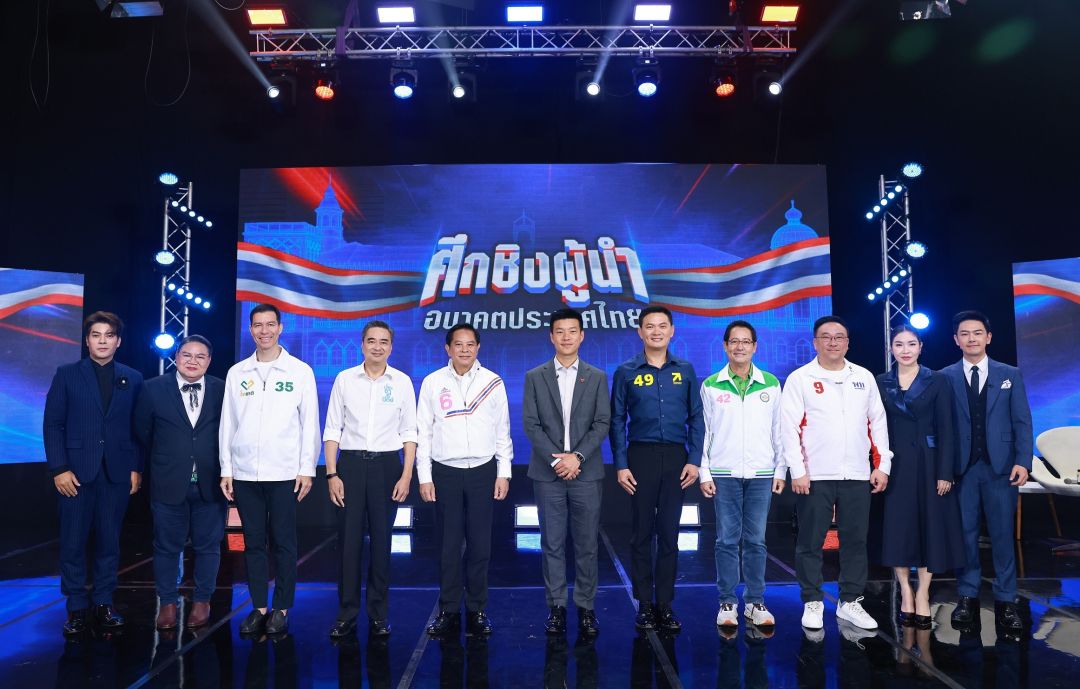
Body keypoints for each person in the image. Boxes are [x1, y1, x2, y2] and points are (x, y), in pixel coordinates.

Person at [780, 315, 892, 633]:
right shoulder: (801, 378)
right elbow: (788, 427)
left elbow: (877, 422)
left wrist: (882, 465)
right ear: (815, 343)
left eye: (839, 337)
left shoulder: (863, 377)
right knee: (810, 541)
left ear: (847, 343)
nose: (833, 342)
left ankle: (850, 601)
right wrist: (797, 470)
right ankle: (812, 601)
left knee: (855, 541)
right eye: (826, 337)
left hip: (857, 473)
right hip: (814, 475)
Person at [219, 303, 319, 637]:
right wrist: (227, 468)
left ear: (280, 328)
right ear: (251, 330)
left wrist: (307, 469)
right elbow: (228, 424)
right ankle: (259, 607)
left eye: (270, 324)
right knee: (253, 543)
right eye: (258, 325)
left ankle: (282, 608)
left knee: (284, 543)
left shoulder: (299, 371)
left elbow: (310, 424)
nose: (264, 331)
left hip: (285, 473)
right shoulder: (238, 373)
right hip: (245, 473)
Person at [44, 311, 143, 636]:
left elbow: (138, 428)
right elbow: (53, 424)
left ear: (118, 341)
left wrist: (135, 467)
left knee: (109, 542)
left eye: (109, 335)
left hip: (116, 473)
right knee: (73, 542)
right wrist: (59, 468)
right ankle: (76, 608)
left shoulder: (132, 377)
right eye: (96, 335)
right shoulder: (67, 374)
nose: (102, 341)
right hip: (74, 474)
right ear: (87, 340)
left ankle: (103, 603)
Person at [610, 305, 704, 633]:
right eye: (649, 326)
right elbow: (617, 420)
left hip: (677, 458)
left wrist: (694, 459)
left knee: (669, 533)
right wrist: (621, 464)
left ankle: (664, 603)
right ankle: (644, 605)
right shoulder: (626, 371)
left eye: (662, 326)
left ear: (672, 331)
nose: (656, 331)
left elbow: (697, 417)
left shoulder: (685, 370)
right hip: (640, 457)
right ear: (640, 332)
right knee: (641, 534)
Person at [417, 323, 513, 636]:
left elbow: (503, 431)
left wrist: (503, 472)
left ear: (478, 347)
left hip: (483, 472)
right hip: (444, 472)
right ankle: (448, 609)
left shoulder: (492, 382)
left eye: (470, 344)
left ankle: (477, 609)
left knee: (480, 545)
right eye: (458, 344)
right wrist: (424, 476)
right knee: (448, 546)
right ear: (448, 348)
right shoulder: (433, 382)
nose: (464, 350)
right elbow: (423, 432)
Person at [324, 320, 417, 639]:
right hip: (349, 466)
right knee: (348, 544)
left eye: (384, 342)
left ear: (391, 347)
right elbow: (333, 428)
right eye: (371, 341)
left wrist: (406, 474)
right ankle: (346, 613)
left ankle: (378, 613)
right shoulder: (345, 379)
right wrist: (332, 473)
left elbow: (409, 431)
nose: (377, 347)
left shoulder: (402, 382)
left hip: (387, 467)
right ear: (362, 344)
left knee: (382, 542)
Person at [942, 310, 1032, 633]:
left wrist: (1023, 460)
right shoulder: (945, 376)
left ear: (988, 337)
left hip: (1002, 468)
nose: (972, 339)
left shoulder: (1010, 374)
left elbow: (1022, 421)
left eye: (977, 333)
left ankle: (1007, 601)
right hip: (962, 469)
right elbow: (942, 427)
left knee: (1003, 536)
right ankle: (967, 597)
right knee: (965, 535)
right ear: (956, 340)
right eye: (965, 334)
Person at [522, 308, 610, 636]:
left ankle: (586, 608)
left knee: (587, 544)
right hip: (548, 475)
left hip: (586, 473)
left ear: (582, 336)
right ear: (551, 336)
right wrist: (557, 461)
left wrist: (578, 457)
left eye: (572, 331)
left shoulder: (597, 376)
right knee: (552, 543)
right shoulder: (535, 376)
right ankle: (556, 607)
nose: (566, 337)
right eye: (560, 331)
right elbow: (531, 424)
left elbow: (602, 422)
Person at [872, 325, 965, 629]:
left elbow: (947, 429)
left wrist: (945, 472)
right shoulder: (880, 382)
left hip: (929, 462)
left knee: (930, 529)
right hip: (895, 464)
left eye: (911, 344)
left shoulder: (937, 380)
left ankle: (924, 592)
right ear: (891, 348)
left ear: (921, 347)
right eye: (899, 344)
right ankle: (906, 591)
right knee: (899, 530)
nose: (905, 350)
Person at [133, 334, 227, 630]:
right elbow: (141, 433)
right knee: (166, 546)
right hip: (168, 480)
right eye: (187, 355)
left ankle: (202, 601)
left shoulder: (223, 389)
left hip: (211, 482)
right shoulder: (152, 388)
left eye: (200, 356)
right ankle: (168, 603)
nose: (193, 361)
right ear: (176, 357)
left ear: (209, 361)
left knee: (208, 546)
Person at [698, 320, 785, 630]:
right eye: (734, 341)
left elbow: (779, 430)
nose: (740, 347)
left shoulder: (771, 384)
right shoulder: (711, 385)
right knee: (726, 540)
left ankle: (755, 602)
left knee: (756, 541)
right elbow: (703, 432)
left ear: (755, 347)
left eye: (746, 341)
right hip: (724, 473)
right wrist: (704, 472)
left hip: (762, 473)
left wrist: (781, 469)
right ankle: (727, 602)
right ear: (725, 346)